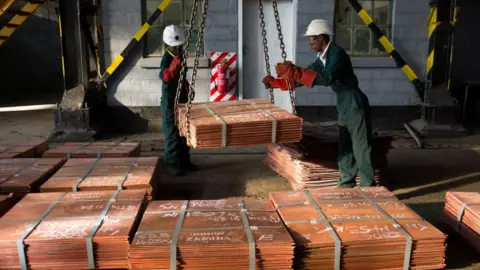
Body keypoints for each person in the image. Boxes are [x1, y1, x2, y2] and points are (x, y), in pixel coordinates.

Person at [262, 19, 374, 188]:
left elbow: (326, 77)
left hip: (354, 101)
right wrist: (277, 83)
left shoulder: (337, 54)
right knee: (345, 144)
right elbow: (304, 79)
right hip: (344, 102)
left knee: (360, 146)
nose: (310, 42)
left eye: (312, 39)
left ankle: (368, 185)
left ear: (322, 37)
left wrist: (297, 72)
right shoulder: (322, 59)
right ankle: (346, 181)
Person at [160, 25, 198, 176]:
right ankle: (171, 164)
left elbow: (182, 78)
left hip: (181, 99)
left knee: (184, 132)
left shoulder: (180, 57)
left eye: (180, 46)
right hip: (170, 101)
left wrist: (188, 88)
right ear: (168, 45)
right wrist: (171, 70)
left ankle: (184, 162)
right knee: (172, 134)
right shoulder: (167, 59)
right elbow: (164, 77)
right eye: (175, 47)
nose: (178, 49)